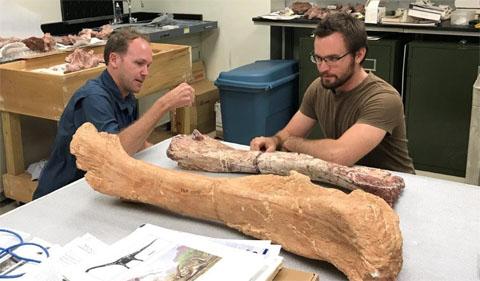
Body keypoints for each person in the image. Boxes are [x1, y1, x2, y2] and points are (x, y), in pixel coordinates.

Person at [33, 28, 195, 199]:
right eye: (139, 63)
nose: (145, 72)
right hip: (64, 195)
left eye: (148, 66)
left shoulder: (126, 94)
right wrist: (163, 105)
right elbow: (115, 154)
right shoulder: (93, 98)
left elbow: (135, 140)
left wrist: (171, 161)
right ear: (114, 60)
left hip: (97, 186)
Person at [250, 13, 415, 174]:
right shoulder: (319, 88)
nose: (323, 68)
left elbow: (339, 155)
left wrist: (291, 143)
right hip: (348, 179)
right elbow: (289, 133)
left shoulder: (383, 99)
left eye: (333, 59)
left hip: (395, 184)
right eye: (318, 58)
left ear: (358, 55)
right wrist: (274, 140)